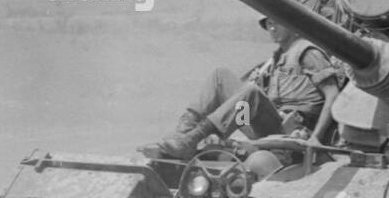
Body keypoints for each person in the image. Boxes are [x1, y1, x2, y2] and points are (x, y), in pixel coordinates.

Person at [140, 18, 341, 160]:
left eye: (276, 22)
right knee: (221, 77)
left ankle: (193, 139)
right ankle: (182, 136)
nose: (272, 28)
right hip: (257, 124)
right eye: (268, 24)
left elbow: (332, 94)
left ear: (290, 23)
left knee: (251, 92)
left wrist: (316, 137)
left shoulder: (307, 52)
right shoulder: (277, 59)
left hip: (291, 130)